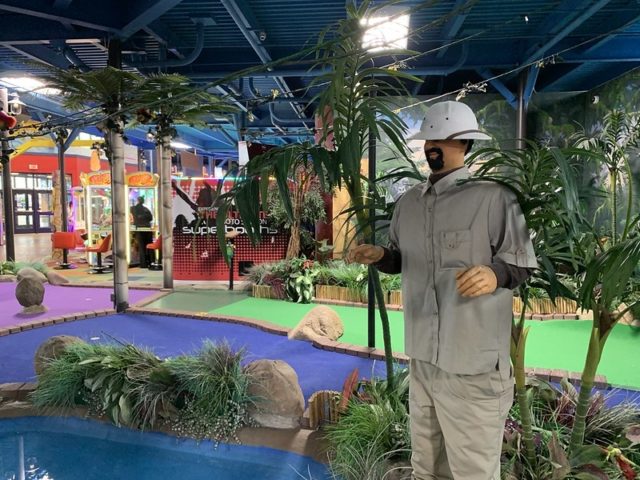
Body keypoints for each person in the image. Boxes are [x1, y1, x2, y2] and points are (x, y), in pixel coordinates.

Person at [347, 101, 537, 480]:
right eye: (430, 138)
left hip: (472, 366)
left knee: (473, 472)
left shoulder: (494, 198)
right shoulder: (408, 204)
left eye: (444, 139)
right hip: (423, 360)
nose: (433, 145)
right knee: (427, 467)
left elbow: (521, 262)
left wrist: (495, 274)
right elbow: (402, 258)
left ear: (465, 143)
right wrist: (381, 255)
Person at [131, 196, 153, 268]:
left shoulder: (133, 208)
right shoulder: (146, 209)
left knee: (142, 247)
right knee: (149, 246)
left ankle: (143, 264)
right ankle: (151, 261)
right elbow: (151, 218)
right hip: (148, 229)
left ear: (137, 201)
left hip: (139, 229)